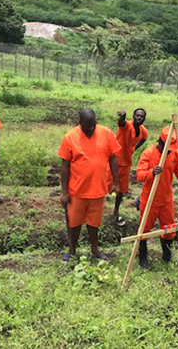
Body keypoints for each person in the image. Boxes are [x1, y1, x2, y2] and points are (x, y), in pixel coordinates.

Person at [58, 108, 121, 262]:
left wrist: (116, 182)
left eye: (93, 125)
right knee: (74, 224)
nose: (91, 129)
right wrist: (64, 192)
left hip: (98, 190)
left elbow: (113, 159)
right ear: (79, 123)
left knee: (94, 223)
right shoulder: (70, 137)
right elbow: (65, 168)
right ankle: (72, 251)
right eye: (87, 126)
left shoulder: (106, 133)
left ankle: (95, 250)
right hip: (77, 191)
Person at [135, 126, 178, 270]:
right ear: (161, 142)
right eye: (169, 148)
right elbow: (139, 175)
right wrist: (152, 172)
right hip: (149, 200)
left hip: (166, 200)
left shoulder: (174, 154)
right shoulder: (148, 153)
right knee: (144, 231)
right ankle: (143, 258)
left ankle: (167, 255)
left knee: (169, 230)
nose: (171, 151)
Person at [110, 108, 148, 227]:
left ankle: (115, 211)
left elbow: (144, 138)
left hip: (126, 163)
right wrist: (122, 116)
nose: (139, 118)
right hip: (114, 160)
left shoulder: (143, 131)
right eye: (137, 115)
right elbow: (122, 123)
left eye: (141, 117)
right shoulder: (127, 126)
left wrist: (133, 148)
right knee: (104, 185)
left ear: (144, 119)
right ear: (133, 116)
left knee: (121, 190)